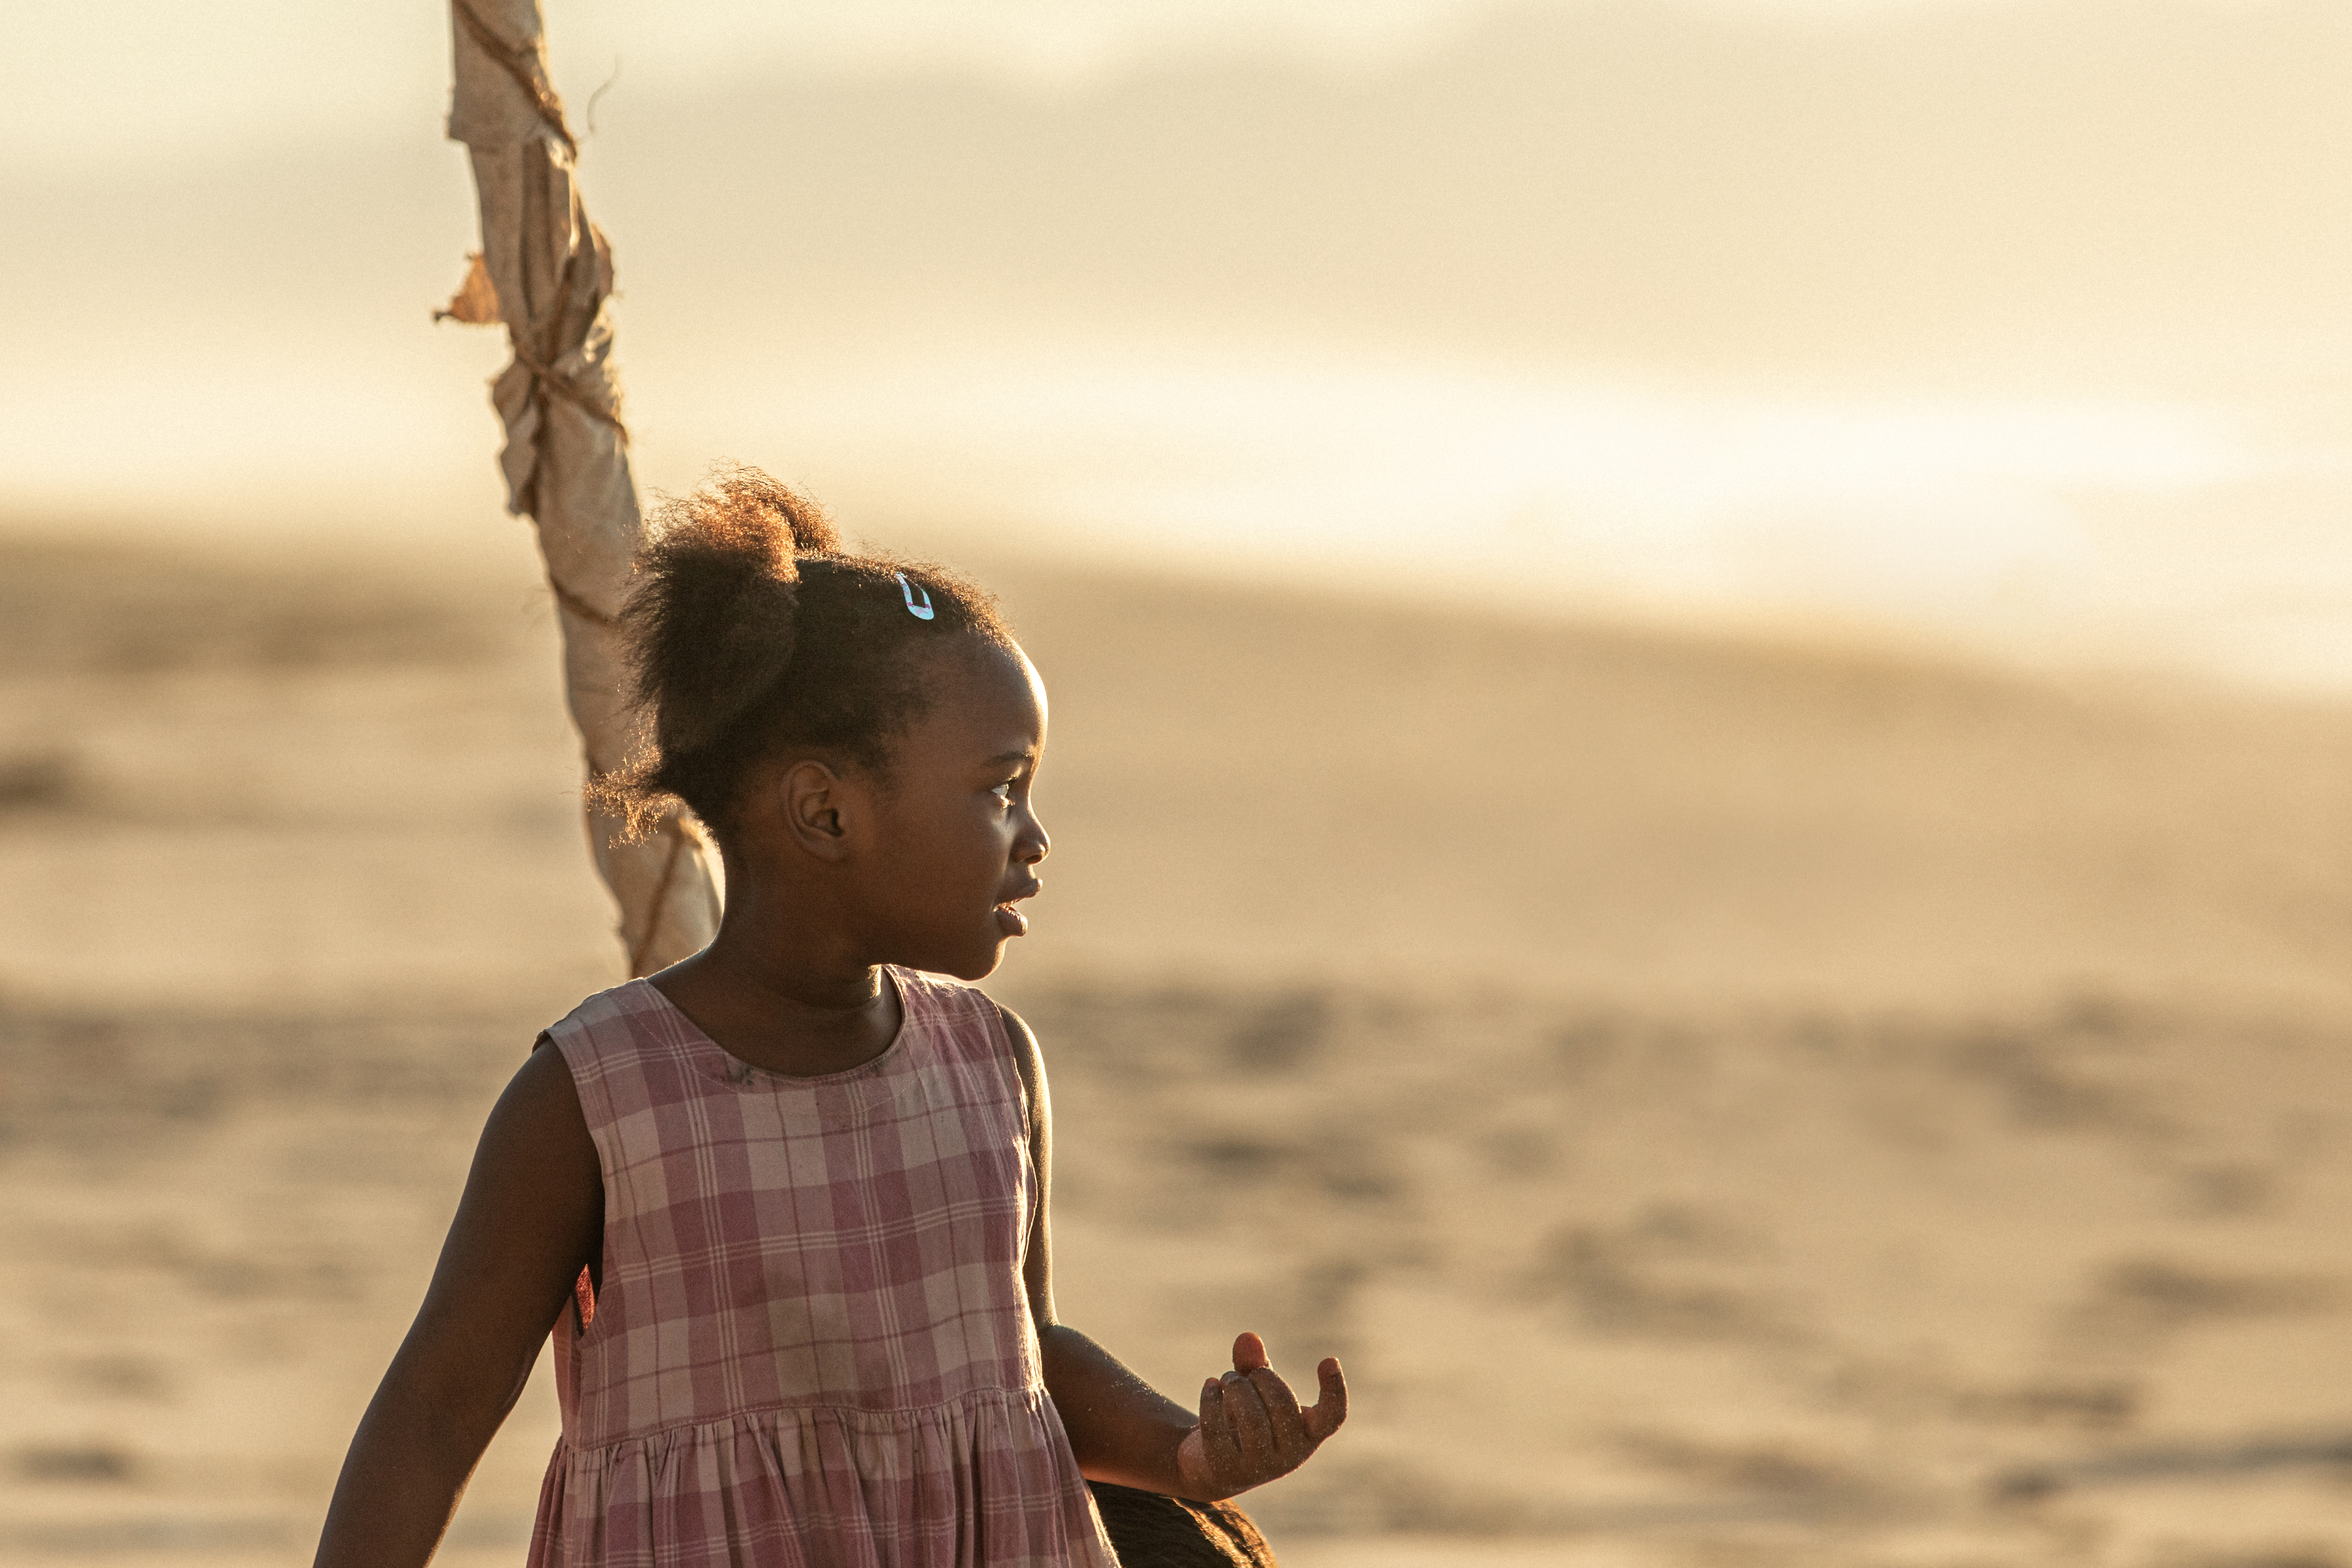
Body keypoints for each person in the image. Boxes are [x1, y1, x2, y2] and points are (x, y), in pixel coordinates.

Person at [312, 468, 1346, 1568]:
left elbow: (1023, 1353)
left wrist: (1189, 1455)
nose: (1034, 836)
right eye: (1001, 789)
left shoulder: (992, 1064)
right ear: (826, 811)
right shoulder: (595, 1095)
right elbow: (433, 1417)